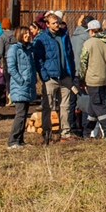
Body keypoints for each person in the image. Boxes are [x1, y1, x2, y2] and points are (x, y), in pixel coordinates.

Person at [33, 12, 77, 142]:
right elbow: (38, 58)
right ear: (47, 24)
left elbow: (70, 54)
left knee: (65, 106)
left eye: (57, 22)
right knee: (47, 106)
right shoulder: (42, 38)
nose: (57, 25)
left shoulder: (64, 35)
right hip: (51, 77)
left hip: (65, 76)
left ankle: (65, 133)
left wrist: (71, 72)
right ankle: (47, 134)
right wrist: (44, 75)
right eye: (54, 23)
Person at [78, 20, 106, 139]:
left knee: (98, 106)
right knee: (93, 107)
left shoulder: (88, 43)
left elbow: (83, 63)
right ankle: (86, 132)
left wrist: (81, 79)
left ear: (92, 31)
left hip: (92, 80)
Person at [5, 26, 38, 149]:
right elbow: (11, 68)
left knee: (24, 114)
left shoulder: (28, 49)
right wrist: (21, 81)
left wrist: (33, 78)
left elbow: (31, 66)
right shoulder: (14, 49)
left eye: (28, 33)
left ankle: (20, 139)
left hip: (28, 85)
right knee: (20, 114)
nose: (28, 35)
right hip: (20, 86)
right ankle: (12, 141)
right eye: (25, 34)